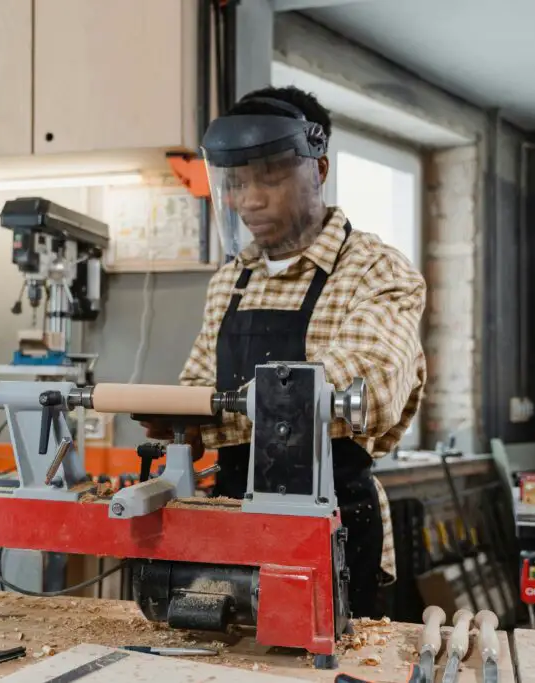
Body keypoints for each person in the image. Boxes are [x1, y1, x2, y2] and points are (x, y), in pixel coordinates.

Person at [149, 86, 426, 618]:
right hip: (231, 516)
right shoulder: (231, 280)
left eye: (270, 176)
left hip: (331, 523)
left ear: (318, 169)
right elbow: (194, 388)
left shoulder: (375, 269)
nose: (247, 199)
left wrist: (213, 414)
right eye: (236, 181)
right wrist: (180, 413)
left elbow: (367, 387)